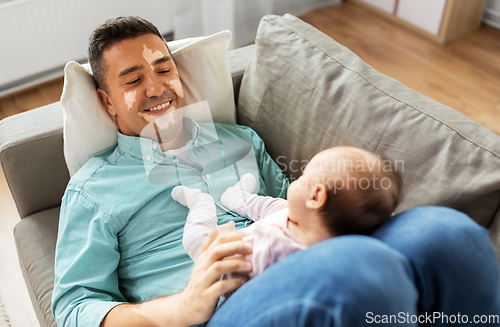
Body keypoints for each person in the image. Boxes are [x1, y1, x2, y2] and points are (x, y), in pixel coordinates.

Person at [52, 15, 500, 327]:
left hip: (290, 261)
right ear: (108, 102)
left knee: (446, 233)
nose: (156, 87)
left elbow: (293, 206)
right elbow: (74, 307)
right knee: (362, 270)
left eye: (163, 68)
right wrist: (184, 306)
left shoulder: (238, 140)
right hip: (214, 313)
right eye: (132, 80)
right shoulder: (95, 188)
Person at [173, 146, 402, 279]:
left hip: (237, 253)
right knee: (279, 206)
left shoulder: (276, 251)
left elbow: (230, 274)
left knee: (195, 240)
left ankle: (201, 205)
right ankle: (237, 198)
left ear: (315, 197)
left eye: (304, 176)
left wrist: (221, 245)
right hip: (287, 222)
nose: (298, 179)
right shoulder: (334, 229)